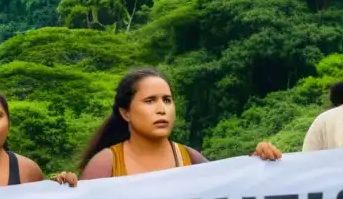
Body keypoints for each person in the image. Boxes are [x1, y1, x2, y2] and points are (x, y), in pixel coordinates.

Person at [77, 67, 282, 179]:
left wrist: (258, 163)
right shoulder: (107, 164)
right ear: (126, 113)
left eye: (167, 100)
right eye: (150, 101)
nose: (161, 109)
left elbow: (229, 195)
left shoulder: (190, 159)